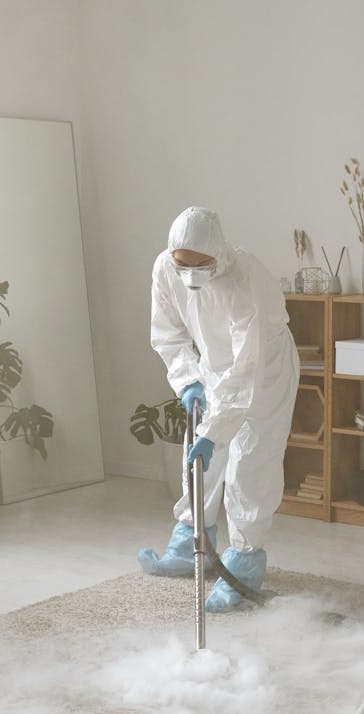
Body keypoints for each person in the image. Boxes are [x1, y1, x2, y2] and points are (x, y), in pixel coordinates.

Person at [136, 206, 299, 612]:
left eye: (200, 265)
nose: (190, 274)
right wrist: (188, 379)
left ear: (218, 255)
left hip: (264, 371)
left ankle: (243, 564)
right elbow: (168, 333)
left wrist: (214, 432)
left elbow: (245, 369)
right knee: (199, 460)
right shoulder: (165, 269)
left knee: (250, 463)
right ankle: (192, 540)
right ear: (172, 254)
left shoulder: (244, 280)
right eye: (183, 264)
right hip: (212, 365)